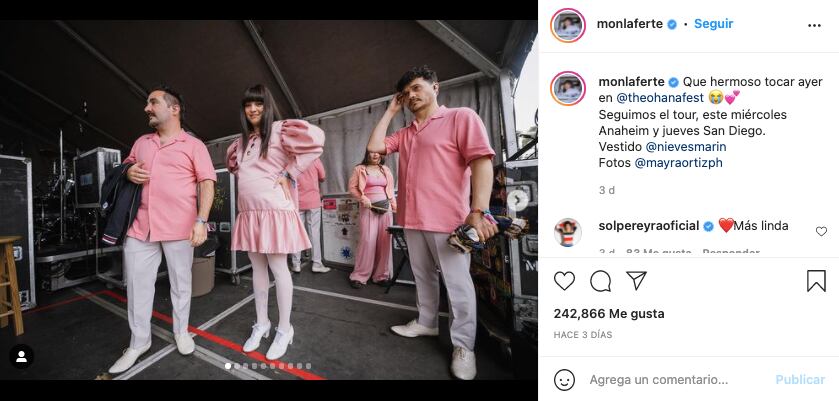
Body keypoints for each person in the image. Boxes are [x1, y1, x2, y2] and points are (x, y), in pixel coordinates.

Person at [366, 66, 497, 380]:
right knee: (423, 276)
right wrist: (391, 110)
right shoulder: (406, 133)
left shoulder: (460, 117)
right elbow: (374, 148)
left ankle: (464, 345)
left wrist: (478, 210)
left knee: (457, 285)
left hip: (449, 220)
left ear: (435, 87)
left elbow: (482, 162)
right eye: (405, 92)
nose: (411, 95)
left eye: (416, 87)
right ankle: (426, 322)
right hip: (412, 218)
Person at [109, 85, 216, 375]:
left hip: (180, 227)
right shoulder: (141, 142)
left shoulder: (194, 145)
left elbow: (207, 182)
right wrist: (129, 171)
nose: (147, 108)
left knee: (181, 284)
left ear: (174, 108)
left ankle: (181, 331)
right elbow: (125, 167)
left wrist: (201, 221)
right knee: (137, 287)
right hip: (139, 228)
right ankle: (138, 342)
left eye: (153, 102)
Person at [226, 84, 324, 360]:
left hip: (274, 211)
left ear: (267, 106)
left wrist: (290, 173)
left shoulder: (281, 130)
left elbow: (317, 141)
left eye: (258, 103)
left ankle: (284, 328)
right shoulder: (241, 142)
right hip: (249, 213)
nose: (253, 109)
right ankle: (262, 323)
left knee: (279, 269)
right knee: (257, 269)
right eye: (248, 105)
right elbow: (237, 170)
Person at [347, 150, 396, 288]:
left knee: (385, 241)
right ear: (367, 154)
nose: (375, 154)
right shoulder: (359, 169)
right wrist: (363, 199)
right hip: (368, 208)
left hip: (386, 209)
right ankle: (359, 276)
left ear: (381, 155)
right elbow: (352, 188)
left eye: (378, 152)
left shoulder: (386, 169)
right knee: (367, 241)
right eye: (372, 152)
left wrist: (395, 207)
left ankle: (381, 276)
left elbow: (390, 191)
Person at [290, 158, 330, 274]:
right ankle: (317, 263)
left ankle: (296, 264)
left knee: (296, 233)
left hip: (297, 202)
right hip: (313, 201)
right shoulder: (315, 159)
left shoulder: (292, 161)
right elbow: (323, 177)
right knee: (314, 233)